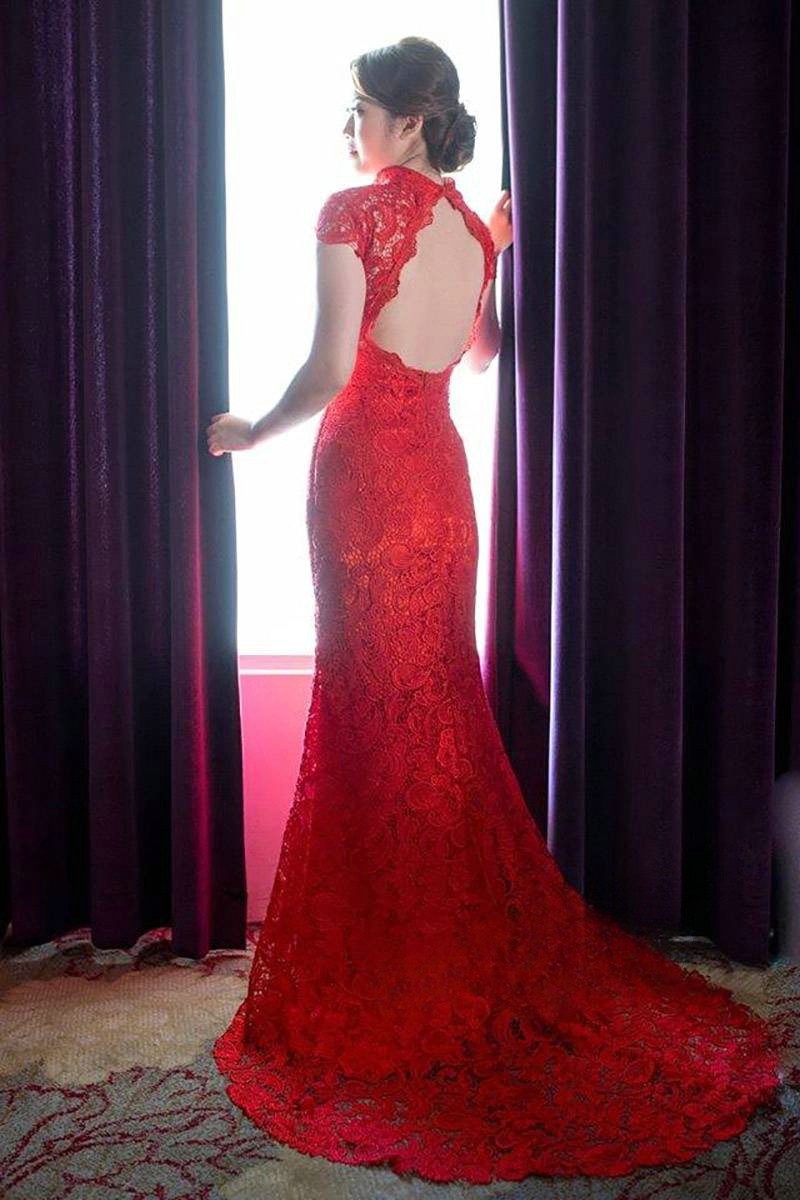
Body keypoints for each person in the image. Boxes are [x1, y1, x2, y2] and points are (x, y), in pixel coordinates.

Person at [208, 36, 783, 1188]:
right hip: (440, 492)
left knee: (372, 720)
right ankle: (432, 943)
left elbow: (327, 371)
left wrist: (247, 431)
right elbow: (473, 359)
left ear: (409, 121)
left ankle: (392, 962)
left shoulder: (351, 211)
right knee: (430, 719)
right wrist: (491, 250)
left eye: (359, 110)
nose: (348, 130)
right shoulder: (474, 233)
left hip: (365, 485)